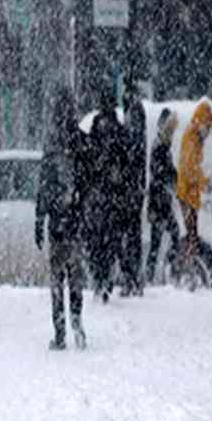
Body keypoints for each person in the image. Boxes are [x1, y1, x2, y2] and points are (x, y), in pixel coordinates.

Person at [35, 86, 88, 350]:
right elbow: (88, 180)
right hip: (75, 218)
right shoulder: (80, 139)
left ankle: (60, 332)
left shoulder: (53, 141)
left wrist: (39, 217)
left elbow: (44, 183)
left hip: (57, 220)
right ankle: (77, 322)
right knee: (75, 274)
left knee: (57, 279)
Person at [85, 89, 128, 303]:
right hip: (111, 196)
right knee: (109, 242)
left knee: (98, 243)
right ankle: (105, 279)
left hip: (99, 195)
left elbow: (89, 157)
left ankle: (100, 279)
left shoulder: (97, 125)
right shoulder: (118, 128)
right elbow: (124, 160)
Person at [176, 101, 212, 290]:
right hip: (186, 195)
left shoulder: (195, 138)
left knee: (192, 236)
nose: (208, 132)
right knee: (192, 237)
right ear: (201, 122)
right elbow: (190, 169)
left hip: (190, 195)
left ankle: (188, 271)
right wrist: (204, 183)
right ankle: (187, 274)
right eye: (207, 126)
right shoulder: (191, 138)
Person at [145, 108, 180, 283]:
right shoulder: (159, 146)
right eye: (171, 129)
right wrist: (172, 180)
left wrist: (176, 179)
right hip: (159, 202)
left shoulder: (163, 145)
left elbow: (168, 170)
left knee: (159, 241)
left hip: (161, 201)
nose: (173, 133)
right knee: (161, 239)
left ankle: (155, 273)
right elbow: (159, 172)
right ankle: (164, 270)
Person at [118, 85, 147, 296]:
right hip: (133, 190)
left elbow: (132, 154)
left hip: (129, 190)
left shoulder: (134, 120)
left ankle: (131, 278)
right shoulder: (138, 117)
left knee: (128, 236)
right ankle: (133, 278)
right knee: (132, 236)